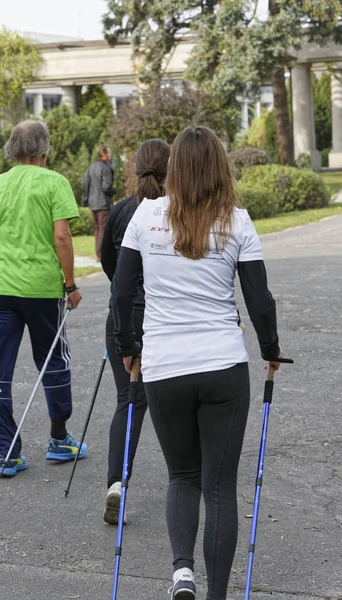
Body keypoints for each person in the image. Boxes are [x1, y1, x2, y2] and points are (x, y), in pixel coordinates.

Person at [111, 125, 284, 600]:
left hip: (165, 367)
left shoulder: (145, 216)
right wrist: (270, 349)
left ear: (175, 170)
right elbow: (259, 300)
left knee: (182, 476)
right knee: (220, 487)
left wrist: (129, 347)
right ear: (219, 167)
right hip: (223, 366)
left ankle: (182, 573)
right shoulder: (238, 221)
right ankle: (215, 596)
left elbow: (122, 292)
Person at [0, 120, 87, 477]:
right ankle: (59, 438)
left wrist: (0, 265)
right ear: (44, 151)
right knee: (53, 360)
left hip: (1, 290)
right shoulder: (54, 182)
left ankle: (6, 454)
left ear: (12, 149)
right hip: (41, 289)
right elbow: (63, 238)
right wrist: (70, 285)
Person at [101, 138, 171, 524]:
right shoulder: (175, 212)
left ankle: (117, 482)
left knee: (129, 400)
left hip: (122, 318)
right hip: (161, 319)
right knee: (158, 400)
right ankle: (189, 480)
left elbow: (110, 267)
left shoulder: (119, 211)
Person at [82, 144, 116, 262]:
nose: (111, 155)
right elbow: (106, 187)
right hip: (103, 204)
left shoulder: (91, 167)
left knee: (97, 229)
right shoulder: (106, 168)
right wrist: (114, 191)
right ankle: (100, 254)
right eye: (109, 153)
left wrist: (85, 200)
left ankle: (98, 253)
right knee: (102, 229)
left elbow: (85, 184)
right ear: (104, 154)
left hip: (93, 203)